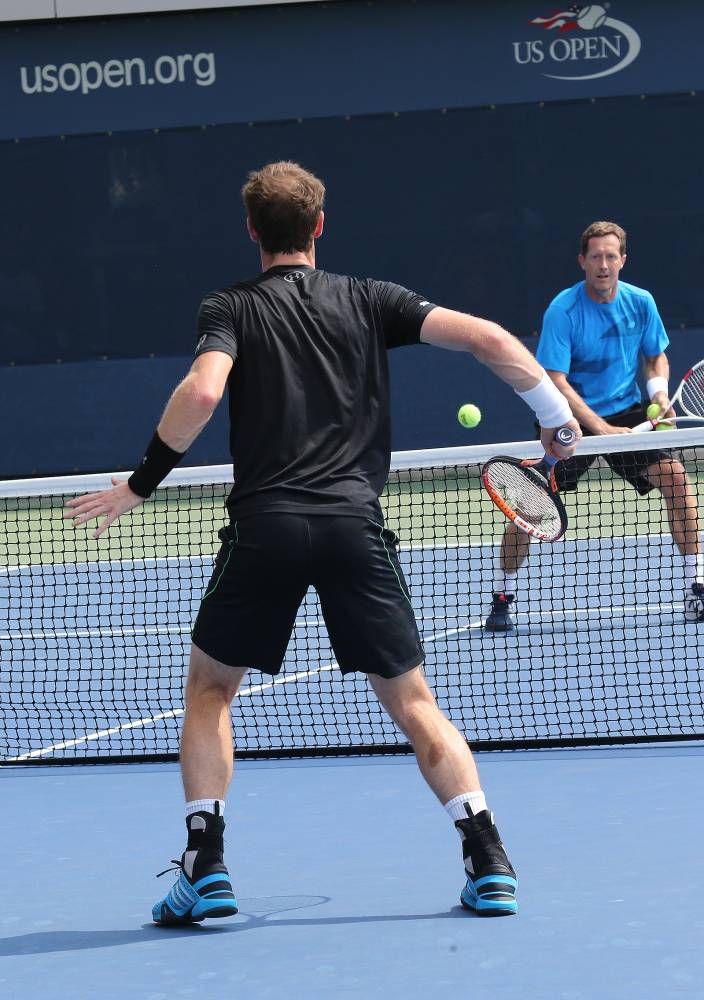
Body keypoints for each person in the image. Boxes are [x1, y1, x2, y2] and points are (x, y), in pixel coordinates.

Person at [66, 161, 579, 922]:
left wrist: (141, 483)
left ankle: (205, 865)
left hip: (265, 530)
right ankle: (488, 857)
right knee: (413, 701)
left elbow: (203, 391)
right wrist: (554, 416)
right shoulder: (372, 299)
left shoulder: (230, 306)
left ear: (252, 230)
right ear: (320, 226)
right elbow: (489, 338)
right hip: (353, 528)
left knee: (210, 691)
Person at [485, 220, 704, 632]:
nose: (603, 265)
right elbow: (556, 380)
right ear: (582, 261)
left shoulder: (641, 302)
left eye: (610, 256)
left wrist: (659, 395)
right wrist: (599, 428)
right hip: (565, 414)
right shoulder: (563, 310)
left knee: (676, 479)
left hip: (627, 411)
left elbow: (654, 356)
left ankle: (697, 586)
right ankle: (502, 596)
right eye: (596, 257)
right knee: (529, 503)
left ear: (623, 260)